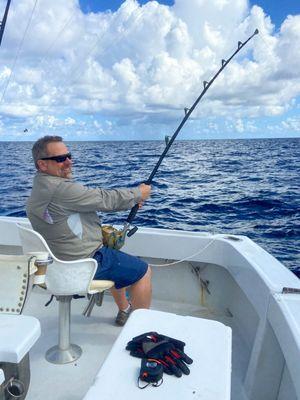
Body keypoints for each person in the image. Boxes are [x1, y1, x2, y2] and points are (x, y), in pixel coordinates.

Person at [26, 135, 152, 326]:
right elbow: (104, 199)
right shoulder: (61, 189)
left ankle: (124, 311)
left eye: (69, 156)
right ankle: (142, 328)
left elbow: (70, 209)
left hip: (54, 265)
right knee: (142, 271)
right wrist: (137, 194)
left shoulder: (39, 188)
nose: (68, 162)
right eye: (60, 159)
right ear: (42, 165)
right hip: (82, 264)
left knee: (116, 261)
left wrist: (131, 200)